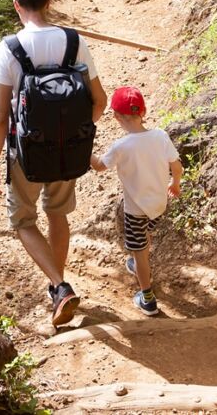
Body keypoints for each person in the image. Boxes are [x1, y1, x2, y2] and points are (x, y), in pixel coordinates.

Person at [0, 0, 107, 326]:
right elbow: (99, 100)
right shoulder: (73, 41)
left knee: (23, 220)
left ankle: (59, 286)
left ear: (17, 6)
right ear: (49, 2)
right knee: (57, 214)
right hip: (68, 150)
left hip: (25, 153)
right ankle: (59, 288)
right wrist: (78, 134)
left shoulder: (10, 48)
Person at [90, 86, 182, 315]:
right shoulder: (160, 136)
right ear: (144, 111)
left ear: (116, 116)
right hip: (160, 204)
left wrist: (84, 151)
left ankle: (147, 298)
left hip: (135, 210)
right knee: (145, 236)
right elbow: (176, 165)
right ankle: (137, 264)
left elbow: (100, 166)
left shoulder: (121, 146)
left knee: (140, 253)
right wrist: (175, 183)